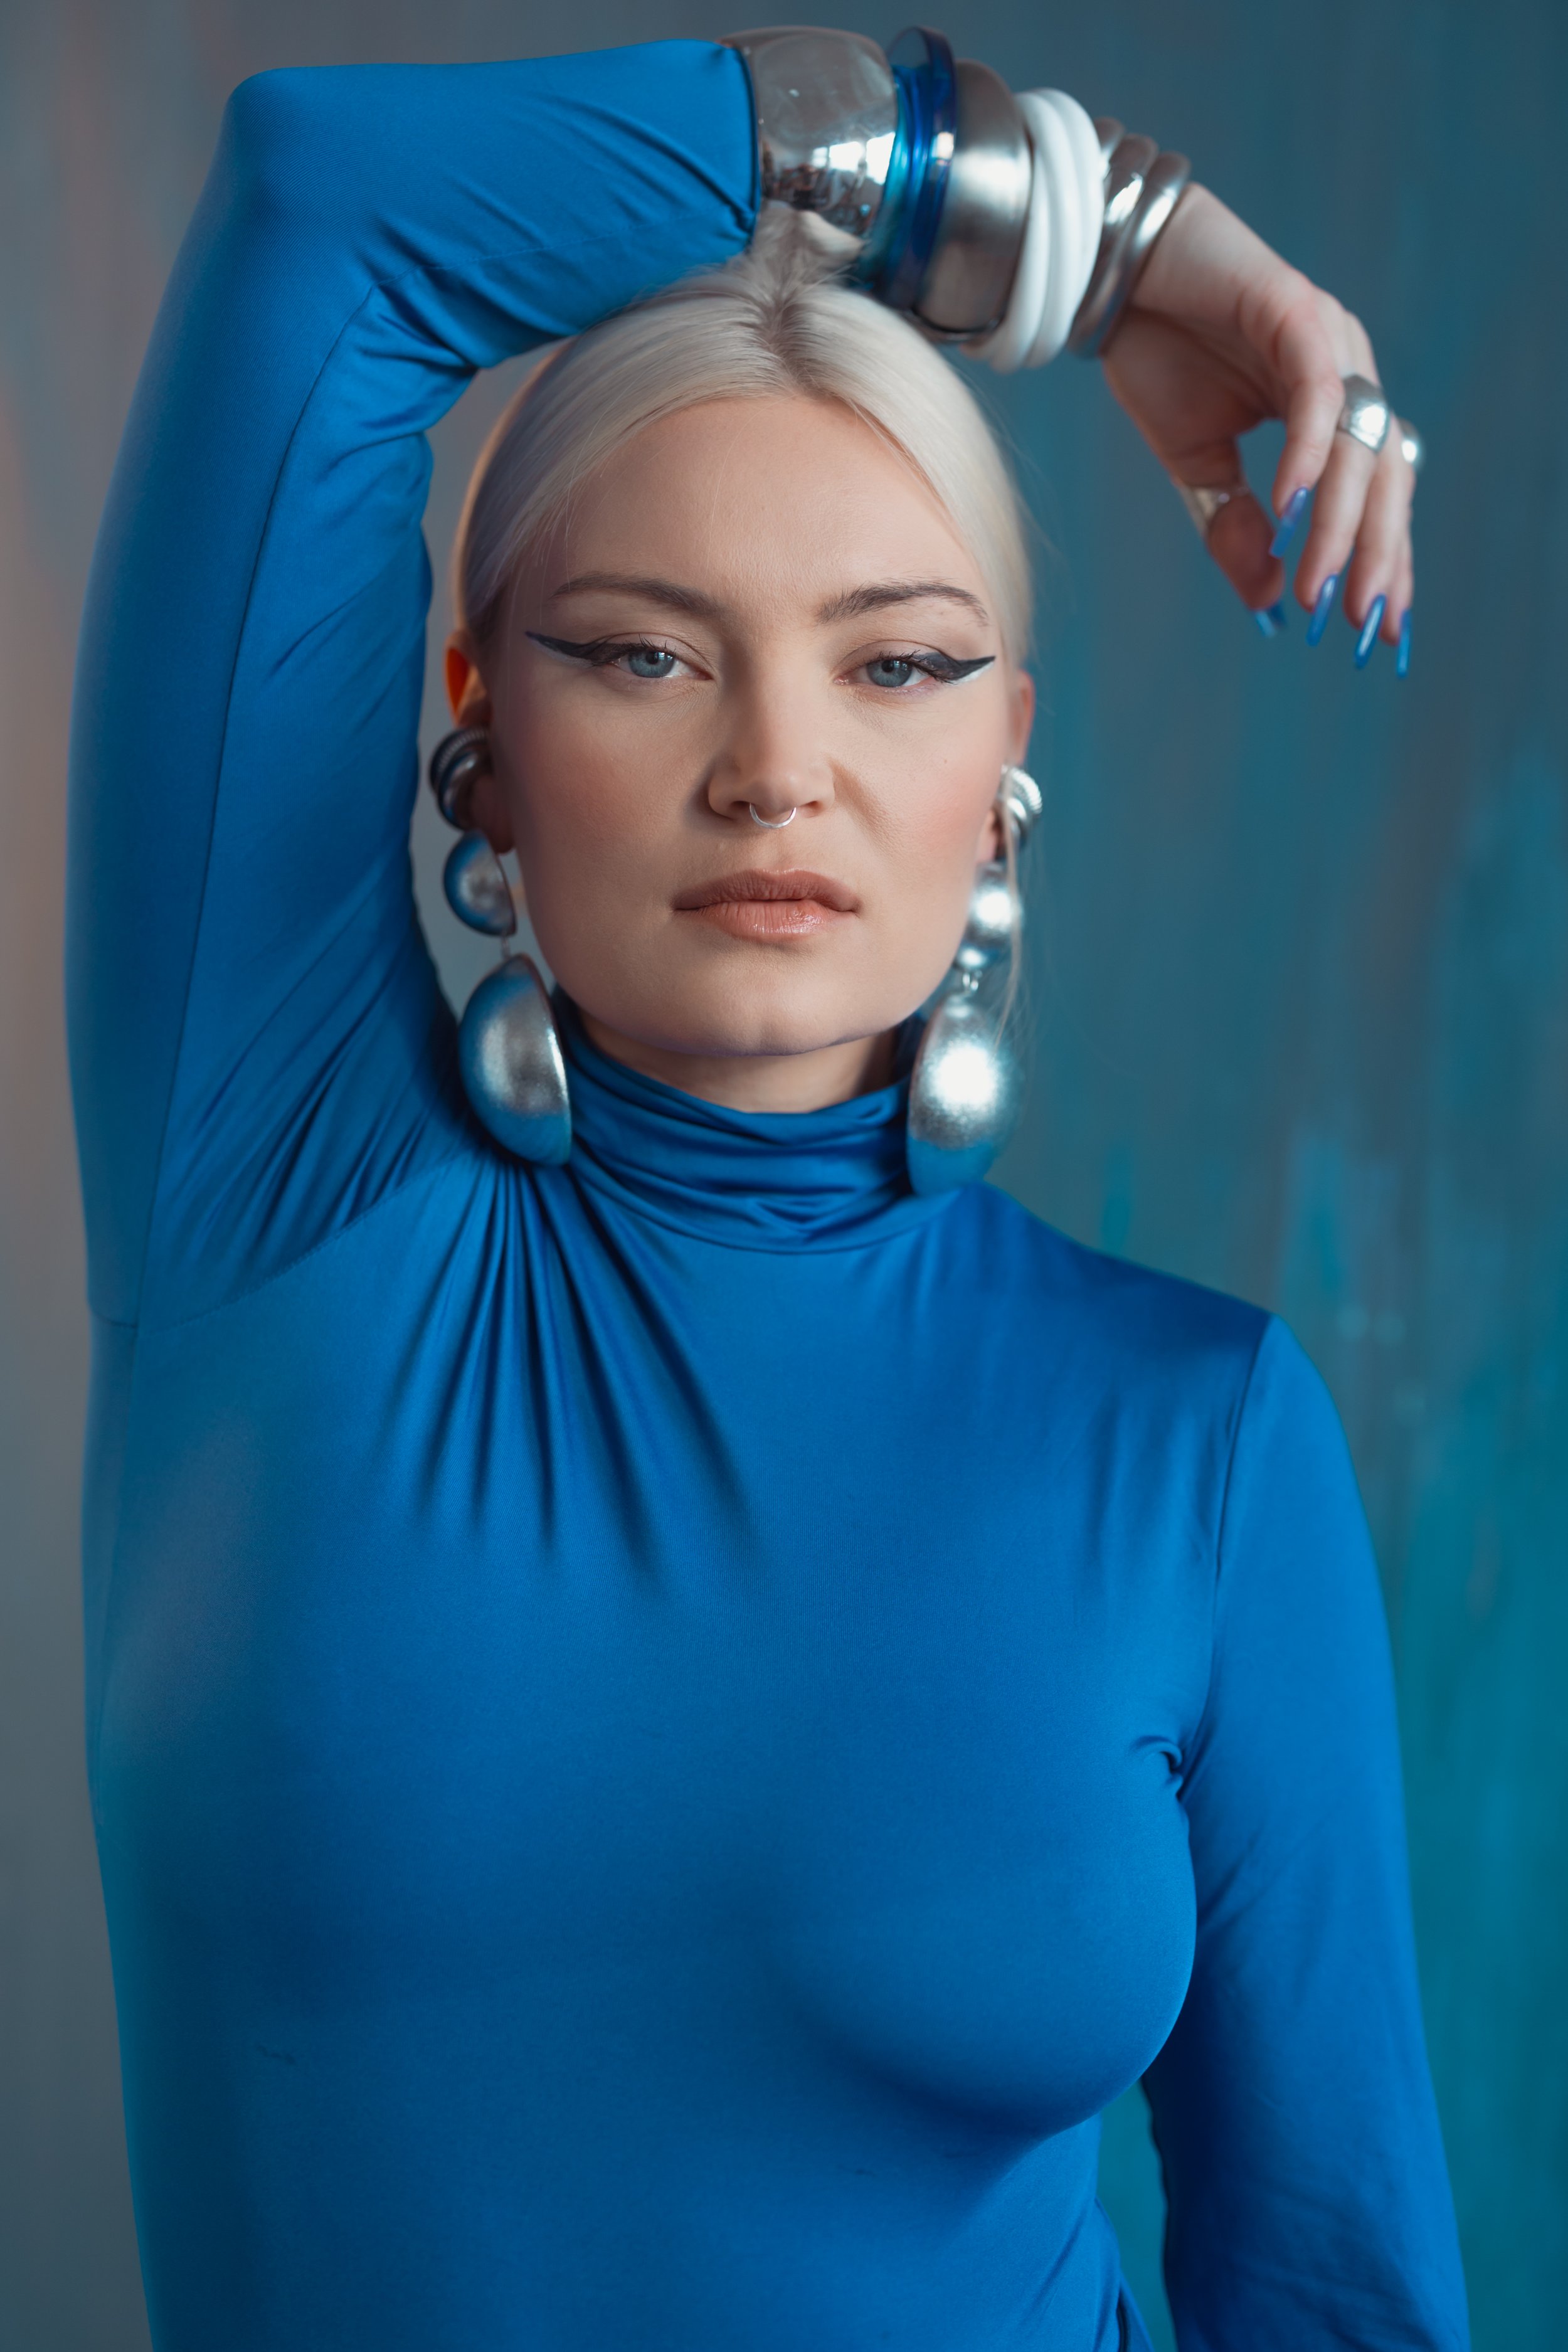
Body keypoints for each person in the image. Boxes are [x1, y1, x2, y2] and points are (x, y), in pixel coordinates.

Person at [67, 32, 1463, 2352]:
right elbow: (330, 197)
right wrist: (1093, 229)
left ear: (1006, 759)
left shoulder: (1199, 1436)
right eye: (640, 654)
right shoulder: (274, 1200)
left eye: (897, 663)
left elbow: (1327, 2291)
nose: (776, 771)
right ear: (477, 728)